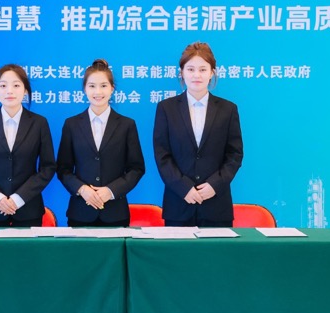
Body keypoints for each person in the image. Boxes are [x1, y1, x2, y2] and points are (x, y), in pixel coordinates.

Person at [153, 42, 243, 227]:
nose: (196, 75)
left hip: (216, 206)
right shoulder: (166, 108)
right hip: (178, 204)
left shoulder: (228, 109)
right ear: (182, 72)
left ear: (212, 73)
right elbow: (162, 155)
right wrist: (184, 188)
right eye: (191, 69)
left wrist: (214, 185)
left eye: (203, 69)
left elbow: (234, 155)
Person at [0, 64, 56, 227]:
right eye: (3, 86)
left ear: (25, 90)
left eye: (16, 85)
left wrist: (18, 198)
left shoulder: (39, 123)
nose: (9, 91)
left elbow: (47, 168)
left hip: (28, 210)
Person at [56, 59, 145, 226]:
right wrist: (82, 190)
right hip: (80, 212)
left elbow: (136, 168)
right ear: (85, 89)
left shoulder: (126, 125)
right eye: (92, 86)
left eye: (103, 86)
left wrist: (111, 191)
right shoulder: (71, 125)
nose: (98, 92)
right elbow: (63, 169)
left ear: (112, 88)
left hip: (115, 213)